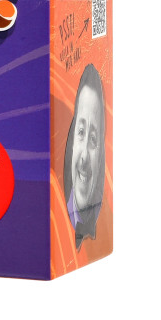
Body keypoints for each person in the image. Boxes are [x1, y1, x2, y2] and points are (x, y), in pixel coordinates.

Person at [62, 64, 106, 248]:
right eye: (81, 132)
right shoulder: (56, 214)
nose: (84, 157)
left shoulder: (101, 225)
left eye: (93, 139)